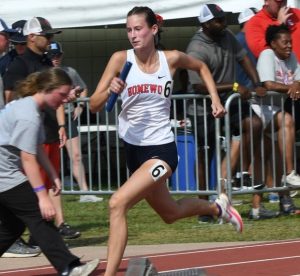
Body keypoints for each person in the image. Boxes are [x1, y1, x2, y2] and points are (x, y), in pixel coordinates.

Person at [89, 6, 243, 276]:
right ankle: (217, 207)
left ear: (153, 29)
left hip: (161, 150)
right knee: (170, 213)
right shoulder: (119, 59)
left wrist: (216, 99)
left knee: (117, 203)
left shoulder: (170, 59)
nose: (133, 35)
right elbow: (93, 105)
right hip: (134, 151)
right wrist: (109, 89)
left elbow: (201, 67)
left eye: (138, 29)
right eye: (128, 30)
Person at [0, 68, 99, 275]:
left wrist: (53, 174)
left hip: (5, 173)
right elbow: (28, 158)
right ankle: (69, 267)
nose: (64, 101)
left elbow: (35, 147)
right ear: (46, 89)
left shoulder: (30, 107)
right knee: (40, 217)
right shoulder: (29, 115)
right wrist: (42, 196)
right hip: (5, 174)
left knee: (13, 226)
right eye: (62, 95)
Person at [186, 4, 279, 221]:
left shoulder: (227, 35)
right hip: (202, 107)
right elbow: (199, 87)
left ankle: (239, 173)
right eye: (218, 20)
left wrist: (257, 83)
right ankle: (202, 207)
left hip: (229, 101)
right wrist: (235, 86)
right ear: (205, 24)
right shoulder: (196, 48)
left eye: (223, 19)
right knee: (204, 153)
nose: (223, 23)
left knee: (254, 124)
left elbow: (244, 58)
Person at [3, 16, 80, 257]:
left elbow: (55, 99)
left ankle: (43, 234)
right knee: (31, 195)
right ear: (32, 37)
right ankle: (63, 260)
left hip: (45, 133)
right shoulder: (19, 64)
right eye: (46, 36)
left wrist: (61, 124)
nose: (50, 40)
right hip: (25, 138)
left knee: (46, 187)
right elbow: (9, 100)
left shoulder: (48, 62)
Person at [245, 0, 300, 209]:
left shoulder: (291, 56)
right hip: (258, 111)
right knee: (261, 155)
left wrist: (296, 83)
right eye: (285, 42)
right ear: (273, 44)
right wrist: (291, 87)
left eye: (290, 42)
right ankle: (290, 174)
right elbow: (267, 83)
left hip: (275, 110)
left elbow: (299, 79)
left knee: (271, 154)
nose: (289, 45)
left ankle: (259, 207)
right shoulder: (268, 55)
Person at [47, 41, 103, 203]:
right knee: (47, 156)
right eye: (52, 55)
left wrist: (80, 105)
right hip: (49, 119)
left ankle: (85, 192)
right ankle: (44, 193)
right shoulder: (43, 72)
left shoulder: (69, 72)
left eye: (57, 55)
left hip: (68, 117)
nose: (55, 58)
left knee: (76, 156)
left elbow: (83, 88)